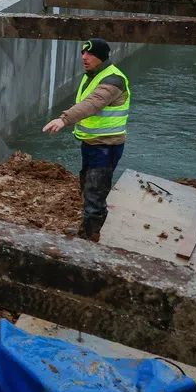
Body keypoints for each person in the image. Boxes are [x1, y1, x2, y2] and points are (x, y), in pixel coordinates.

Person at [42, 39, 129, 242]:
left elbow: (92, 104)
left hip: (106, 147)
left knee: (94, 193)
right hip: (91, 144)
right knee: (88, 186)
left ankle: (89, 239)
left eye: (89, 54)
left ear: (101, 57)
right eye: (83, 53)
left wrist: (64, 119)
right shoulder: (93, 75)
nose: (83, 57)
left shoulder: (113, 80)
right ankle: (89, 229)